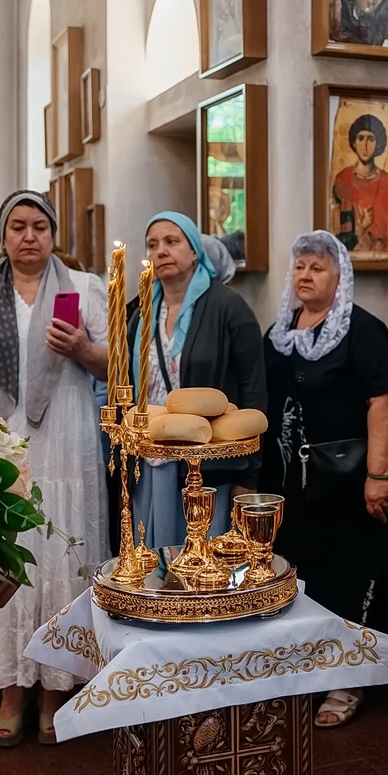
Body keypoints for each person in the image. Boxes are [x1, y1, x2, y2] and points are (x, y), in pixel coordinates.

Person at [0, 190, 109, 747]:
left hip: (65, 438)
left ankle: (56, 689)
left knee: (62, 550)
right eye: (18, 226)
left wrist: (83, 348)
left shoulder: (84, 288)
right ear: (2, 235)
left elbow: (116, 365)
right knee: (6, 555)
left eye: (40, 226)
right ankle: (11, 691)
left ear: (54, 234)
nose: (29, 235)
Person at [261, 231, 388, 729]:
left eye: (317, 268)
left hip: (346, 483)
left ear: (340, 277)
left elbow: (382, 402)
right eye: (300, 266)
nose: (305, 275)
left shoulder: (362, 329)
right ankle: (307, 670)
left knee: (348, 576)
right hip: (291, 484)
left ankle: (348, 679)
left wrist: (378, 476)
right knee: (302, 576)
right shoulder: (279, 331)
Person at [127, 212, 266, 548]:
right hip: (152, 461)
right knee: (154, 558)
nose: (161, 251)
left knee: (205, 557)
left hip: (208, 466)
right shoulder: (141, 312)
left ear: (194, 251)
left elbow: (254, 391)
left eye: (172, 241)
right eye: (152, 245)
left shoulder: (229, 308)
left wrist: (250, 474)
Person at [331, 115, 388, 254]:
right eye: (360, 138)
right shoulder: (343, 179)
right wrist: (361, 227)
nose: (365, 146)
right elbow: (337, 237)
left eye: (371, 139)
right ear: (354, 142)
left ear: (378, 144)